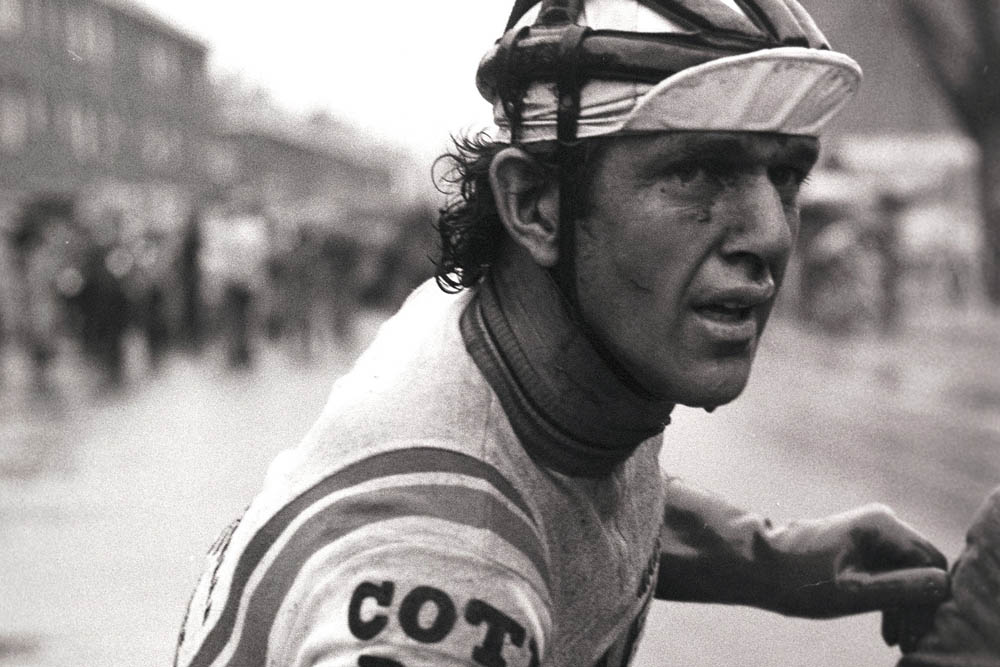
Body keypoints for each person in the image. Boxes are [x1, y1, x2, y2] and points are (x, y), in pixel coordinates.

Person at [174, 1, 951, 665]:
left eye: (786, 175)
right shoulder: (440, 586)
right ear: (535, 205)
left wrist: (770, 557)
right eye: (696, 172)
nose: (771, 234)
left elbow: (578, 493)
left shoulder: (514, 338)